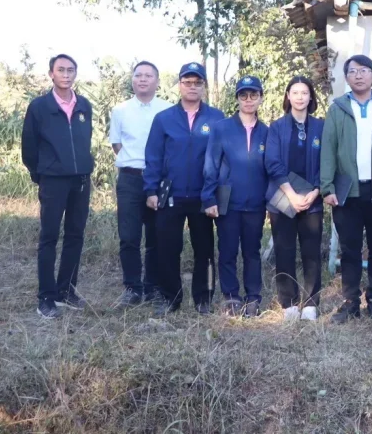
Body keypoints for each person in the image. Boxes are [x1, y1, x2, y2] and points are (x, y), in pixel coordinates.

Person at [144, 62, 225, 316]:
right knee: (168, 249)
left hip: (204, 196)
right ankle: (171, 298)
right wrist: (151, 190)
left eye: (197, 82)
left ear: (204, 86)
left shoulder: (217, 118)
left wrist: (216, 194)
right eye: (187, 82)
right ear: (179, 85)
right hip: (171, 194)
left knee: (205, 251)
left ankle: (204, 298)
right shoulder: (164, 119)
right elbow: (153, 156)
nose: (192, 87)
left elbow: (222, 158)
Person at [320, 54, 372, 323]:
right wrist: (327, 187)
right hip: (346, 191)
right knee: (349, 248)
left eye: (364, 70)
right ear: (347, 78)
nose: (359, 75)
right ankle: (350, 301)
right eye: (353, 71)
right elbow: (328, 148)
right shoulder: (338, 109)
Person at [21, 54, 95, 319]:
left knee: (75, 235)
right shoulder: (39, 106)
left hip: (81, 180)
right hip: (53, 181)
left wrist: (85, 166)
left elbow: (85, 141)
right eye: (61, 70)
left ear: (75, 74)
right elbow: (29, 147)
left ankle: (66, 290)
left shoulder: (84, 105)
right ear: (51, 73)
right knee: (49, 237)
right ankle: (46, 297)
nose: (66, 74)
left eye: (70, 70)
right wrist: (41, 174)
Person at [203, 76, 270, 318]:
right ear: (237, 99)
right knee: (228, 250)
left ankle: (253, 298)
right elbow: (211, 164)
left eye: (253, 95)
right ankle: (231, 296)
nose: (248, 100)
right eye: (244, 95)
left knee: (252, 251)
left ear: (260, 98)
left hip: (256, 203)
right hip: (227, 201)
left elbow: (271, 168)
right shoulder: (221, 128)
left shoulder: (267, 132)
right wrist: (208, 198)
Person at [109, 61, 172, 307]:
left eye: (148, 75)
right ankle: (132, 288)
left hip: (158, 180)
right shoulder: (120, 110)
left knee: (156, 236)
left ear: (157, 81)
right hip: (130, 179)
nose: (143, 79)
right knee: (128, 236)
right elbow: (117, 144)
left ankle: (152, 286)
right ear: (132, 80)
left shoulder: (167, 110)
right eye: (138, 75)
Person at [265, 76, 325, 322]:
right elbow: (272, 162)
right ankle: (288, 302)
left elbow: (327, 162)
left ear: (311, 97)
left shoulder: (321, 127)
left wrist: (316, 191)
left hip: (312, 198)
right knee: (284, 251)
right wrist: (291, 193)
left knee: (312, 252)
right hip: (283, 196)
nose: (300, 97)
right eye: (295, 92)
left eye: (304, 92)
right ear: (288, 96)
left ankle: (310, 303)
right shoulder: (277, 127)